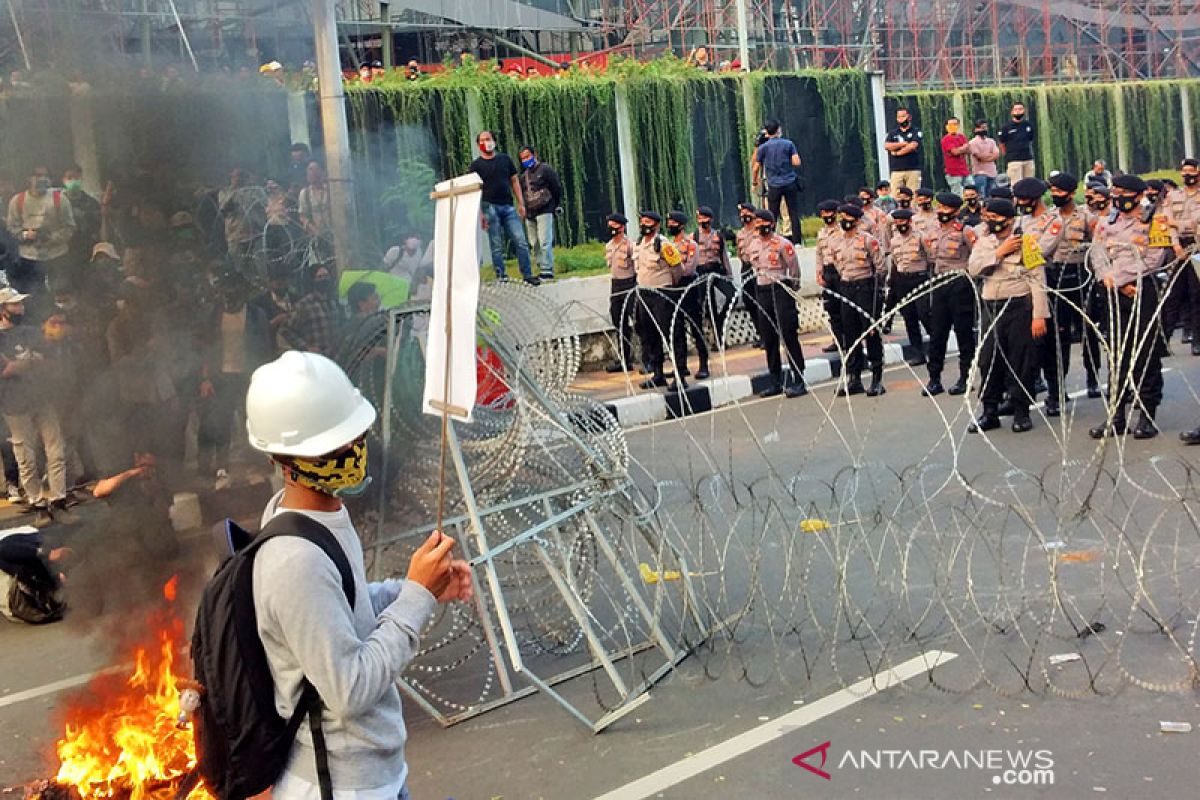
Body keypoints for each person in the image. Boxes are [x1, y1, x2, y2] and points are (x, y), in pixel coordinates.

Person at [243, 350, 472, 800]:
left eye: (355, 433)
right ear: (288, 460)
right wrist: (415, 598)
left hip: (375, 776)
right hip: (341, 788)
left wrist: (409, 589)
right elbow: (350, 689)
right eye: (338, 442)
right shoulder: (294, 561)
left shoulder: (322, 514)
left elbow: (343, 605)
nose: (358, 447)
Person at [1088, 175, 1163, 440]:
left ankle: (1146, 414)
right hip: (1114, 292)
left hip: (1143, 290)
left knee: (1144, 353)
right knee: (1117, 354)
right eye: (1114, 192)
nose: (1117, 197)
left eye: (1121, 192)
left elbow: (1155, 259)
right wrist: (1110, 279)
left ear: (1136, 194)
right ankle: (1116, 416)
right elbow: (1097, 253)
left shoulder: (1155, 220)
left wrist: (1121, 280)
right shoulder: (1106, 221)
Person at [966, 198, 1048, 434]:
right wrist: (999, 253)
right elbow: (973, 268)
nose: (991, 222)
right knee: (988, 360)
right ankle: (989, 412)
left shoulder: (1027, 243)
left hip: (1018, 307)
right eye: (988, 218)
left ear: (1010, 220)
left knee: (1020, 360)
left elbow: (1038, 279)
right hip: (991, 307)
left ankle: (1021, 412)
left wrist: (1039, 316)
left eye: (996, 218)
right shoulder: (984, 242)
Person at [0, 288, 72, 527]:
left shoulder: (30, 332)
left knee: (56, 448)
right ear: (3, 310)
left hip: (41, 398)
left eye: (20, 304)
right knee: (25, 455)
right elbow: (5, 371)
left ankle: (59, 499)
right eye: (15, 305)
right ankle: (38, 503)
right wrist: (31, 362)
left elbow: (50, 359)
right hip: (14, 404)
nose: (20, 308)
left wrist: (21, 365)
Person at [198, 275, 273, 489]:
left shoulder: (257, 315)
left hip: (248, 376)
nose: (229, 298)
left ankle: (255, 468)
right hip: (222, 377)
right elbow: (206, 349)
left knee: (253, 422)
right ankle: (223, 470)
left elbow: (265, 348)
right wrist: (205, 378)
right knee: (222, 423)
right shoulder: (214, 315)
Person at [1044, 172, 1103, 401]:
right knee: (1059, 335)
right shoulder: (1048, 218)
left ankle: (1093, 378)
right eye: (1053, 192)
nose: (1055, 195)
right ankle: (1057, 387)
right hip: (1056, 275)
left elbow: (1096, 246)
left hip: (1081, 275)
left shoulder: (1087, 217)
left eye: (1059, 192)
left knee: (1088, 330)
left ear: (1070, 194)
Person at [1010, 177, 1066, 413]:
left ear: (1036, 199)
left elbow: (1041, 250)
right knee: (1025, 341)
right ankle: (1027, 390)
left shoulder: (1053, 221)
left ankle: (1056, 393)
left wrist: (1016, 254)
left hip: (1047, 281)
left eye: (1024, 199)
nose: (1021, 203)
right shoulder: (1020, 220)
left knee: (1050, 341)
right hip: (1021, 283)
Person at [922, 192, 977, 396]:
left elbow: (977, 255)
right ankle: (934, 379)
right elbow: (929, 257)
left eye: (947, 209)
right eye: (940, 208)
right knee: (937, 333)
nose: (942, 212)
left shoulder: (965, 231)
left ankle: (965, 377)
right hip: (939, 283)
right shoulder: (931, 232)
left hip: (960, 284)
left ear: (955, 211)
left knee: (963, 332)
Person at [748, 210, 807, 398]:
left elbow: (794, 270)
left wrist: (792, 287)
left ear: (771, 224)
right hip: (763, 291)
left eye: (763, 223)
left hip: (781, 290)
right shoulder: (753, 245)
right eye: (757, 224)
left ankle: (798, 379)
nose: (759, 227)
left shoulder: (783, 244)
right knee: (769, 338)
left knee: (788, 335)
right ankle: (775, 380)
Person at [831, 204, 886, 397]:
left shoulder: (868, 241)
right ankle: (854, 378)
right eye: (842, 217)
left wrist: (876, 291)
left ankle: (877, 378)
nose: (843, 221)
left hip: (866, 288)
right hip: (846, 287)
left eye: (847, 217)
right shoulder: (835, 242)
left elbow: (880, 267)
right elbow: (838, 265)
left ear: (855, 220)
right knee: (850, 333)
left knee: (870, 333)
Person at [471, 131, 538, 285]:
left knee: (520, 240)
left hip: (508, 206)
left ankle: (527, 274)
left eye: (488, 139)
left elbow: (514, 180)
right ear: (478, 144)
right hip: (489, 207)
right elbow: (475, 191)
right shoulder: (476, 166)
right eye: (482, 140)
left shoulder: (504, 160)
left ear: (494, 141)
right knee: (496, 245)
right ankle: (501, 276)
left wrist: (521, 203)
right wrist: (480, 214)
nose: (485, 142)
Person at [633, 212, 685, 391]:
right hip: (644, 294)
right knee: (649, 335)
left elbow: (677, 268)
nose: (643, 224)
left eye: (647, 222)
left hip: (662, 294)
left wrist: (670, 287)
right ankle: (658, 374)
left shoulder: (663, 244)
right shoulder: (639, 244)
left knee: (671, 335)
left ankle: (679, 376)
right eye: (642, 221)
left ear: (656, 225)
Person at [6, 166, 76, 294]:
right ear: (29, 178)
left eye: (46, 176)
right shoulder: (17, 201)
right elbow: (11, 228)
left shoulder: (60, 199)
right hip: (29, 257)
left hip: (57, 256)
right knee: (33, 296)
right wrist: (25, 234)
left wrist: (51, 237)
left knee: (61, 292)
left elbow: (69, 227)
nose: (42, 179)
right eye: (38, 175)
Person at [887, 208, 932, 367]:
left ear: (909, 221)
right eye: (897, 222)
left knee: (924, 314)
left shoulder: (921, 237)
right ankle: (918, 353)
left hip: (919, 278)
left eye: (903, 221)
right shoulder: (894, 241)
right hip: (902, 281)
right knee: (909, 318)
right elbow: (894, 261)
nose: (900, 225)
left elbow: (931, 258)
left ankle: (935, 347)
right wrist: (892, 281)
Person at [665, 211, 707, 379]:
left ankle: (703, 364)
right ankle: (680, 366)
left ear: (681, 226)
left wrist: (674, 269)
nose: (670, 226)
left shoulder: (691, 245)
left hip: (689, 287)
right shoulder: (666, 245)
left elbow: (688, 268)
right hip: (673, 290)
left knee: (696, 328)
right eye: (669, 223)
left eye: (673, 223)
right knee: (676, 329)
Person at [1164, 158, 1200, 354]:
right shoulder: (1172, 196)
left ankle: (1197, 339)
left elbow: (1197, 223)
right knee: (1173, 294)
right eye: (1184, 171)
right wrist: (1176, 245)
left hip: (1198, 247)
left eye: (1191, 171)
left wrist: (1181, 224)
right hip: (1177, 248)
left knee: (1196, 295)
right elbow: (1168, 223)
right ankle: (1165, 340)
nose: (1187, 175)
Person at [751, 120, 804, 245]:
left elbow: (755, 167)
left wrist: (754, 182)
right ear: (778, 130)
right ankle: (797, 242)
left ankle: (771, 239)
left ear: (767, 133)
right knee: (793, 212)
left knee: (772, 213)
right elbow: (797, 162)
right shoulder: (788, 144)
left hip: (774, 184)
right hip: (789, 181)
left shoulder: (763, 148)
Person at [517, 146, 562, 281]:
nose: (526, 160)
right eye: (523, 158)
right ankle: (540, 266)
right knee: (534, 242)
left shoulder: (545, 169)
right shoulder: (523, 176)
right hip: (530, 212)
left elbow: (556, 187)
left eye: (527, 156)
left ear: (534, 154)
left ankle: (547, 270)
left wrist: (555, 205)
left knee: (544, 240)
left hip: (545, 209)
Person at [693, 205, 735, 350]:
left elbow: (724, 256)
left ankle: (720, 320)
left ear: (710, 219)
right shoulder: (694, 236)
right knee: (708, 305)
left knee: (732, 296)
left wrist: (729, 274)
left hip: (717, 270)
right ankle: (716, 338)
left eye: (704, 218)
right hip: (702, 272)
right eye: (699, 218)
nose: (702, 221)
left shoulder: (717, 235)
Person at [603, 213, 639, 373]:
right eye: (609, 226)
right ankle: (625, 360)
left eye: (614, 226)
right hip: (616, 286)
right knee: (619, 324)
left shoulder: (630, 245)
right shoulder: (609, 246)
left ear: (622, 227)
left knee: (639, 323)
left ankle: (648, 359)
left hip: (629, 284)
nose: (611, 229)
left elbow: (637, 267)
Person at [282, 262, 341, 356]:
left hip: (336, 358)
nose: (324, 280)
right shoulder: (304, 304)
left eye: (326, 276)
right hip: (315, 359)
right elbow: (285, 330)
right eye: (320, 277)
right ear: (313, 280)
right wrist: (305, 347)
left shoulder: (333, 303)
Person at [814, 199, 844, 353]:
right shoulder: (822, 233)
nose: (827, 216)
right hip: (828, 272)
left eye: (829, 213)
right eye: (824, 213)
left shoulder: (842, 231)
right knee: (831, 309)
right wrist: (819, 273)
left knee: (844, 308)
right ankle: (837, 340)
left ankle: (849, 339)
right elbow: (819, 254)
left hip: (841, 272)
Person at [735, 203, 764, 348]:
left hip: (758, 268)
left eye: (747, 213)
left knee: (761, 302)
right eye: (741, 213)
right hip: (746, 269)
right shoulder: (740, 234)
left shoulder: (759, 231)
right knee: (750, 302)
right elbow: (739, 253)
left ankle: (767, 335)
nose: (743, 216)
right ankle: (760, 334)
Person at [61, 165, 101, 269]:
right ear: (63, 180)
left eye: (76, 178)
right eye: (69, 178)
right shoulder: (56, 205)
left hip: (86, 256)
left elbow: (97, 230)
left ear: (81, 179)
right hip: (62, 256)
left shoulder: (92, 204)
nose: (73, 181)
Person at [298, 161, 333, 258]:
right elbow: (302, 216)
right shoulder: (305, 194)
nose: (311, 173)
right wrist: (314, 230)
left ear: (322, 172)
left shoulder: (331, 190)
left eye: (315, 170)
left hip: (334, 236)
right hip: (317, 239)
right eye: (309, 170)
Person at [884, 108, 923, 190]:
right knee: (895, 195)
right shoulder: (893, 133)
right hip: (896, 170)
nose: (901, 119)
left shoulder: (916, 131)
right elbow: (887, 145)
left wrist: (896, 153)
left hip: (913, 169)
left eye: (903, 116)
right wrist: (903, 144)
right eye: (899, 117)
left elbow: (912, 146)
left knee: (913, 195)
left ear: (909, 117)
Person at [998, 103, 1036, 184]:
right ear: (1012, 112)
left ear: (1024, 110)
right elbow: (1002, 143)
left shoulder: (1029, 125)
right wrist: (1007, 155)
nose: (1018, 111)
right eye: (1016, 109)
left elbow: (1030, 139)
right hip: (1014, 160)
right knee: (1016, 185)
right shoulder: (1006, 127)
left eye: (1020, 109)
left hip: (1028, 159)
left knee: (1030, 184)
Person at [967, 120, 1000, 198]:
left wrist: (986, 157)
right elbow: (979, 157)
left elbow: (996, 155)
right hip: (979, 173)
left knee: (992, 196)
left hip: (992, 172)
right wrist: (990, 156)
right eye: (982, 128)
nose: (984, 129)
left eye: (985, 127)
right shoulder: (972, 142)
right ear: (976, 129)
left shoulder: (991, 141)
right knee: (981, 196)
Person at [940, 118, 970, 194]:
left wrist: (960, 149)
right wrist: (964, 147)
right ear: (946, 126)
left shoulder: (961, 137)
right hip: (953, 172)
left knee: (971, 189)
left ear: (958, 125)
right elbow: (955, 152)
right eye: (950, 124)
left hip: (964, 170)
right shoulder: (946, 139)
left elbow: (969, 150)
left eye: (955, 124)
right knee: (957, 194)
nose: (952, 126)